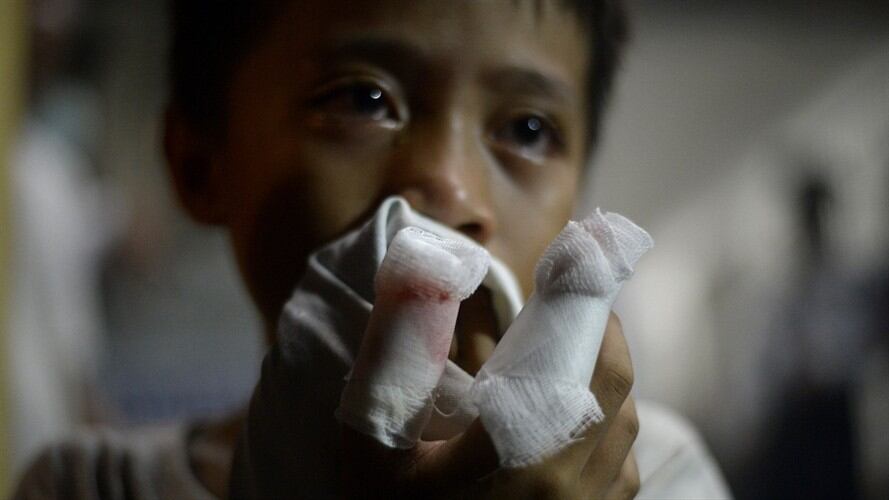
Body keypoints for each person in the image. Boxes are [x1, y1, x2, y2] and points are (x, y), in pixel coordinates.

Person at [13, 0, 730, 498]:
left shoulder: (652, 476)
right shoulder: (85, 485)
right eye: (363, 99)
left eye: (528, 131)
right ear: (201, 165)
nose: (450, 187)